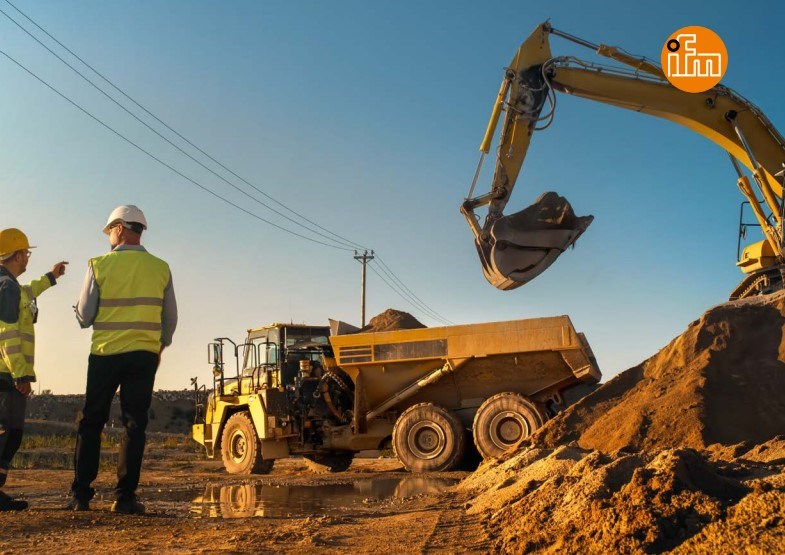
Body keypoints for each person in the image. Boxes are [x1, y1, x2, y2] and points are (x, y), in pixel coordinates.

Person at [68, 205, 177, 514]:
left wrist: (79, 311)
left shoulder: (99, 264)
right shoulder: (161, 268)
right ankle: (125, 498)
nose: (109, 237)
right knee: (134, 424)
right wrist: (159, 347)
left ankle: (81, 496)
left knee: (92, 421)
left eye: (109, 231)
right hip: (143, 355)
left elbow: (85, 317)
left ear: (119, 228)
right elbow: (170, 318)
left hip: (105, 353)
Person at [0, 228, 67, 511]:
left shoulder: (11, 286)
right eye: (26, 253)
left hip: (7, 373)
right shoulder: (7, 287)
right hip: (6, 375)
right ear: (17, 255)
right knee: (8, 433)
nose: (28, 257)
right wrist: (21, 375)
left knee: (8, 434)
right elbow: (6, 334)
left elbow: (29, 292)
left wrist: (52, 277)